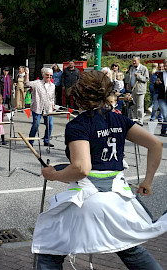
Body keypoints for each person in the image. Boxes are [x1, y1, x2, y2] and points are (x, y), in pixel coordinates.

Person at [34, 70, 166, 270]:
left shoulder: (78, 125)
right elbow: (156, 144)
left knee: (49, 249)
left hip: (88, 200)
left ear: (79, 96)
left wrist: (54, 175)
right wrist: (147, 181)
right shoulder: (119, 120)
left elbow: (81, 168)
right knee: (128, 247)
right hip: (118, 199)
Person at [24, 67, 55, 147]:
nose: (49, 77)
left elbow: (52, 97)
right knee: (36, 125)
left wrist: (53, 104)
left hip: (48, 108)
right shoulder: (37, 83)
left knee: (50, 124)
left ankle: (46, 140)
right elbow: (26, 84)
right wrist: (27, 74)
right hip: (37, 107)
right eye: (47, 75)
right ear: (43, 75)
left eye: (51, 75)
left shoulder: (52, 86)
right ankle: (30, 142)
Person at [127, 57, 149, 125]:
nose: (133, 62)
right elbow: (130, 77)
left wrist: (138, 76)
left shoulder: (143, 68)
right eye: (133, 61)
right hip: (132, 90)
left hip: (140, 90)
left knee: (140, 106)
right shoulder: (131, 68)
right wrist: (128, 83)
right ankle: (134, 119)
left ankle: (140, 120)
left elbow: (146, 79)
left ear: (139, 61)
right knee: (133, 105)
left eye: (135, 61)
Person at [155, 59, 167, 136]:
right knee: (165, 114)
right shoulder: (160, 74)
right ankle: (164, 129)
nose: (165, 67)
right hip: (162, 97)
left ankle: (163, 130)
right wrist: (157, 83)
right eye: (164, 66)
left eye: (166, 66)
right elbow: (155, 86)